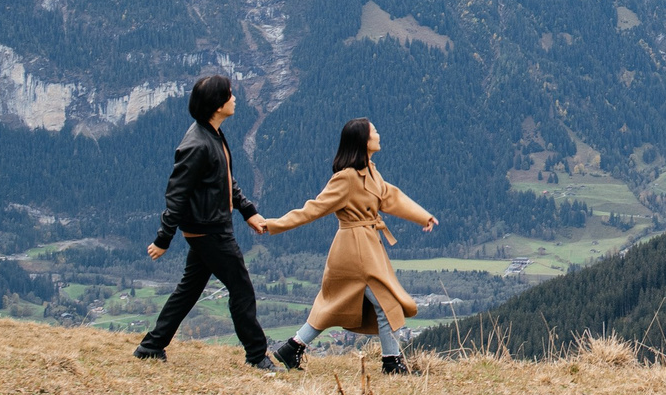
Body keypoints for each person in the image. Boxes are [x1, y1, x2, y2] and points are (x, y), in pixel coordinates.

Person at [252, 117, 438, 373]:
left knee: (334, 304)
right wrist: (274, 224)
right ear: (363, 140)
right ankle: (391, 364)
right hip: (355, 251)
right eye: (374, 131)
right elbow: (313, 209)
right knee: (387, 304)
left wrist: (422, 216)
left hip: (368, 246)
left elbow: (390, 196)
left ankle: (292, 347)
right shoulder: (347, 178)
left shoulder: (371, 171)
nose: (378, 133)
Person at [133, 73, 278, 370]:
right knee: (241, 288)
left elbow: (224, 180)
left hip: (207, 229)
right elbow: (176, 194)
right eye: (230, 94)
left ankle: (151, 346)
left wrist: (247, 211)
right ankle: (257, 356)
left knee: (188, 290)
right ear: (217, 104)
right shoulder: (197, 144)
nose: (235, 98)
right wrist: (163, 239)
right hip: (210, 231)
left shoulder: (212, 135)